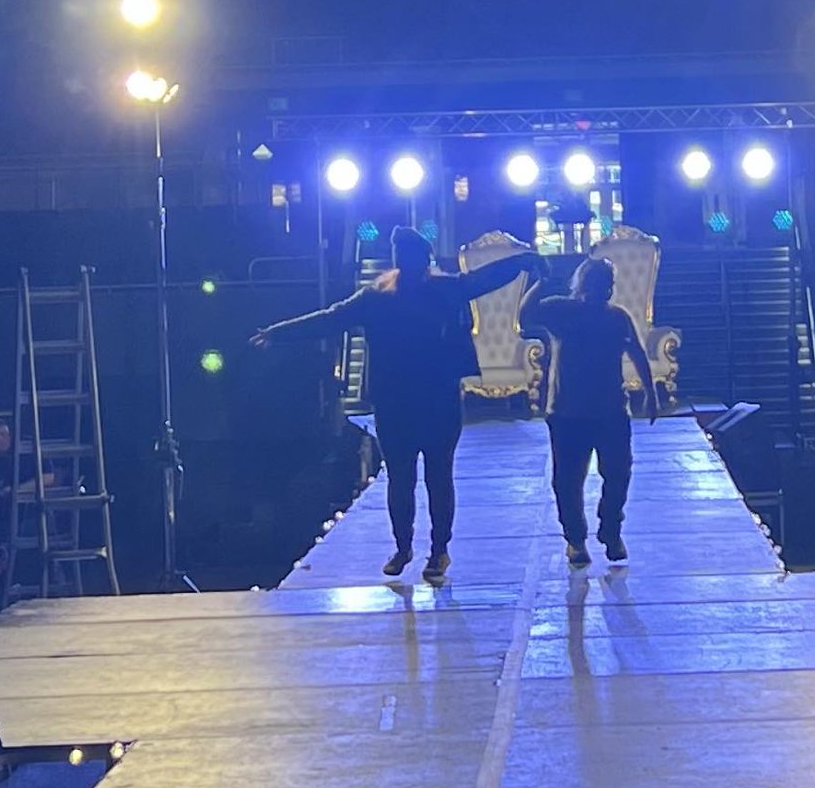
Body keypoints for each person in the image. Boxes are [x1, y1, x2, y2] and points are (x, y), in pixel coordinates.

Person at [252, 226, 546, 581]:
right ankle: (431, 551)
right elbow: (482, 279)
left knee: (408, 480)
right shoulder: (417, 293)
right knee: (430, 479)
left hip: (407, 402)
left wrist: (278, 332)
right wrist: (523, 260)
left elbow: (331, 319)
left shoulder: (386, 297)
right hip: (422, 401)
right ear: (426, 260)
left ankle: (415, 549)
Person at [521, 256, 657, 567]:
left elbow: (635, 351)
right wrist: (650, 392)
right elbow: (526, 317)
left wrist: (650, 392)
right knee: (581, 479)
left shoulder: (605, 317)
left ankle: (599, 533)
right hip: (577, 410)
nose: (604, 290)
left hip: (596, 409)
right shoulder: (568, 311)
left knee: (603, 476)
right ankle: (584, 537)